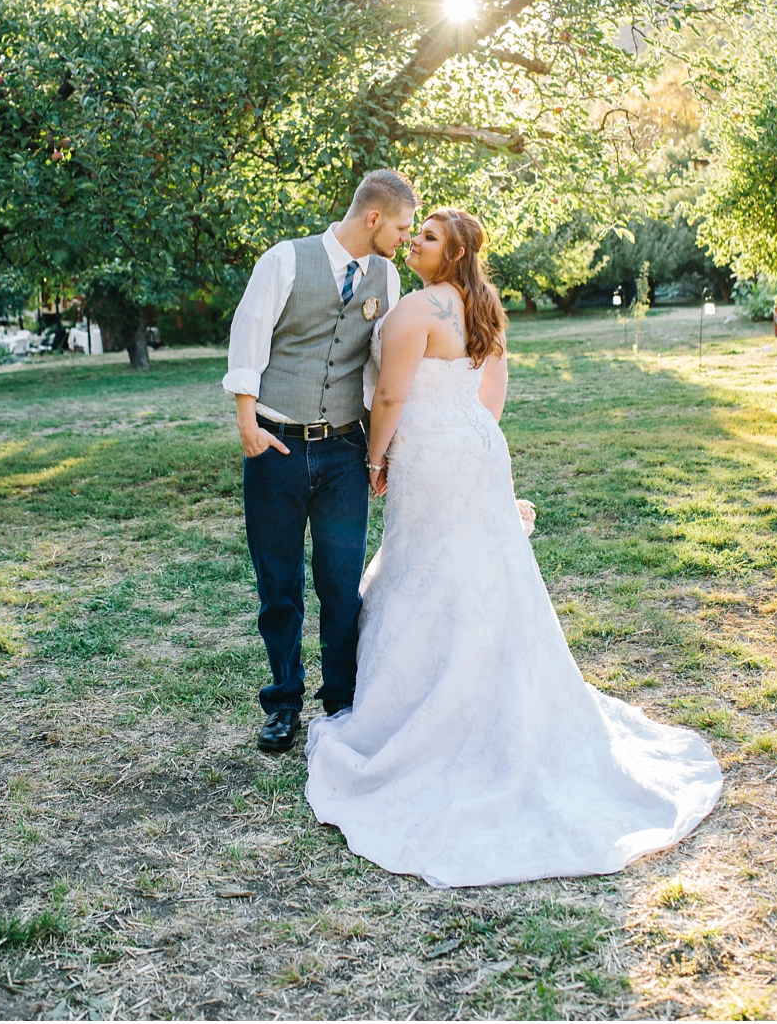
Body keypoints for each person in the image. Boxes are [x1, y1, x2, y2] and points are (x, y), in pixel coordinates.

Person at [305, 207, 721, 888]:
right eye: (419, 230)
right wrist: (469, 432)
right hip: (474, 445)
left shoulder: (414, 310)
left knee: (428, 568)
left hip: (430, 453)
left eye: (430, 236)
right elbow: (492, 389)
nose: (417, 240)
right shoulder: (482, 303)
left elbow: (388, 394)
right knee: (483, 568)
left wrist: (379, 459)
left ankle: (435, 709)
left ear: (454, 251)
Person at [225, 168, 418, 754]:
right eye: (404, 229)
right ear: (374, 218)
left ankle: (341, 702)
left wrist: (381, 451)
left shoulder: (387, 276)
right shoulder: (285, 260)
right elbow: (248, 337)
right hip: (276, 447)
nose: (407, 242)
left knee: (340, 585)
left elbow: (385, 364)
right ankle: (283, 702)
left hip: (343, 451)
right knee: (278, 586)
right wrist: (247, 425)